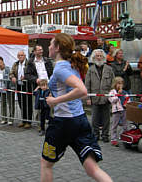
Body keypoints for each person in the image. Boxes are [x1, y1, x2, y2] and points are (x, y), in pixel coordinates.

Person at [41, 33, 113, 182]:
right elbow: (77, 92)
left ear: (58, 48)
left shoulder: (61, 68)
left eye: (51, 44)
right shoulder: (71, 65)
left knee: (46, 164)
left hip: (64, 122)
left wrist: (55, 101)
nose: (48, 47)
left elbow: (82, 90)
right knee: (92, 169)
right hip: (79, 120)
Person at [85, 49, 114, 142]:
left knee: (106, 118)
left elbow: (113, 83)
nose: (99, 57)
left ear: (103, 57)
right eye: (97, 56)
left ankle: (105, 135)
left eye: (100, 56)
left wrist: (112, 95)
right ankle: (95, 134)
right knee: (94, 118)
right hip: (95, 97)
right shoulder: (90, 69)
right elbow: (87, 84)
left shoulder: (109, 69)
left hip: (106, 97)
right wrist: (88, 97)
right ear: (94, 58)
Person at [25, 44, 53, 128]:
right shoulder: (30, 62)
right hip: (38, 87)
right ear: (34, 51)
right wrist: (35, 79)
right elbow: (27, 74)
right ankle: (40, 125)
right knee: (39, 106)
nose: (41, 51)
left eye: (41, 49)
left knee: (50, 105)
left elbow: (52, 72)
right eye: (39, 50)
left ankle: (50, 123)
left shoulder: (47, 60)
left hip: (48, 86)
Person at [9, 50, 30, 128]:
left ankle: (28, 121)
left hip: (27, 86)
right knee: (21, 104)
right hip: (18, 85)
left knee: (27, 104)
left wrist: (26, 77)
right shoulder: (16, 64)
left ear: (25, 56)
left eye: (22, 55)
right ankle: (23, 120)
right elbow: (11, 73)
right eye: (19, 55)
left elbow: (32, 73)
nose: (20, 57)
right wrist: (13, 77)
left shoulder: (29, 64)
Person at [108, 77, 129, 147]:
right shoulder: (112, 92)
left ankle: (124, 136)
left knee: (125, 124)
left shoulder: (124, 92)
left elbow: (128, 99)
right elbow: (112, 100)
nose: (120, 85)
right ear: (115, 84)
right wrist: (118, 95)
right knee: (114, 125)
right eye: (118, 84)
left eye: (121, 84)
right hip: (116, 111)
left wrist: (127, 103)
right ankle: (113, 139)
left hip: (123, 110)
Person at [0, 56, 13, 125]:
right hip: (1, 89)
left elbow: (10, 78)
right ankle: (4, 118)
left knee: (10, 104)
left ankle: (11, 119)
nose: (0, 64)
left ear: (3, 62)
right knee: (3, 104)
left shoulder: (7, 69)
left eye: (0, 62)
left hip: (8, 89)